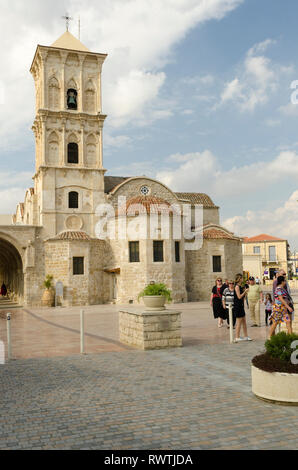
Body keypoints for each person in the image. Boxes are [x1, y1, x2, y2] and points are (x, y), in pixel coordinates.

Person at [234, 273, 252, 342]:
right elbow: (239, 297)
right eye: (241, 278)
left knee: (244, 322)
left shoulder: (240, 286)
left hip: (241, 306)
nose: (242, 279)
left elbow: (243, 298)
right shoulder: (237, 287)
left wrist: (245, 293)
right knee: (239, 322)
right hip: (238, 306)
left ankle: (246, 336)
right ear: (239, 279)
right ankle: (237, 337)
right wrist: (245, 291)